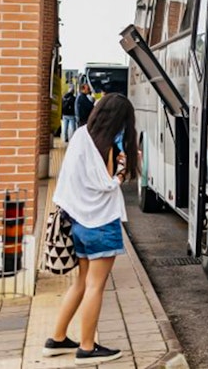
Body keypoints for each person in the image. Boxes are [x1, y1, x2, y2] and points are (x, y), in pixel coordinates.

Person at [43, 93, 139, 364]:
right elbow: (107, 184)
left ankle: (57, 338)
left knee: (82, 283)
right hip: (100, 223)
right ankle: (87, 347)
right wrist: (121, 169)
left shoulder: (81, 136)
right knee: (96, 286)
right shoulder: (106, 147)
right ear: (120, 120)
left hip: (79, 222)